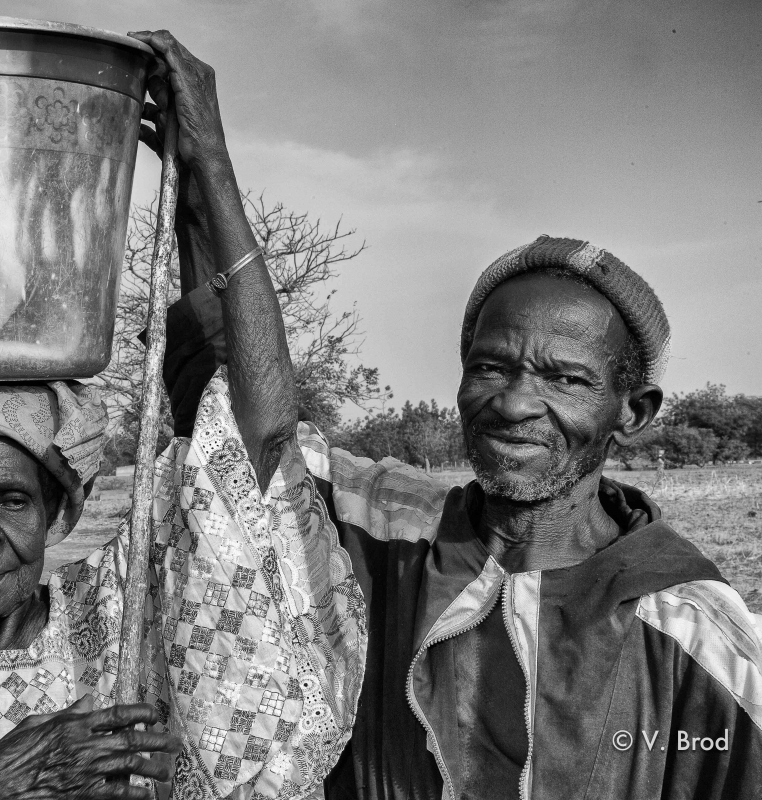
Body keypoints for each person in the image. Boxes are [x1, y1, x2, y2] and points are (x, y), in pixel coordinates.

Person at [0, 31, 366, 800]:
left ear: (56, 511)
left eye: (13, 498)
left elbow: (253, 433)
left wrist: (210, 172)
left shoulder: (123, 616)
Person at [163, 234, 762, 798]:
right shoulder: (378, 524)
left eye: (565, 378)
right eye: (490, 368)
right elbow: (237, 432)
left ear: (632, 413)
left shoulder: (695, 632)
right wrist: (205, 174)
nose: (514, 402)